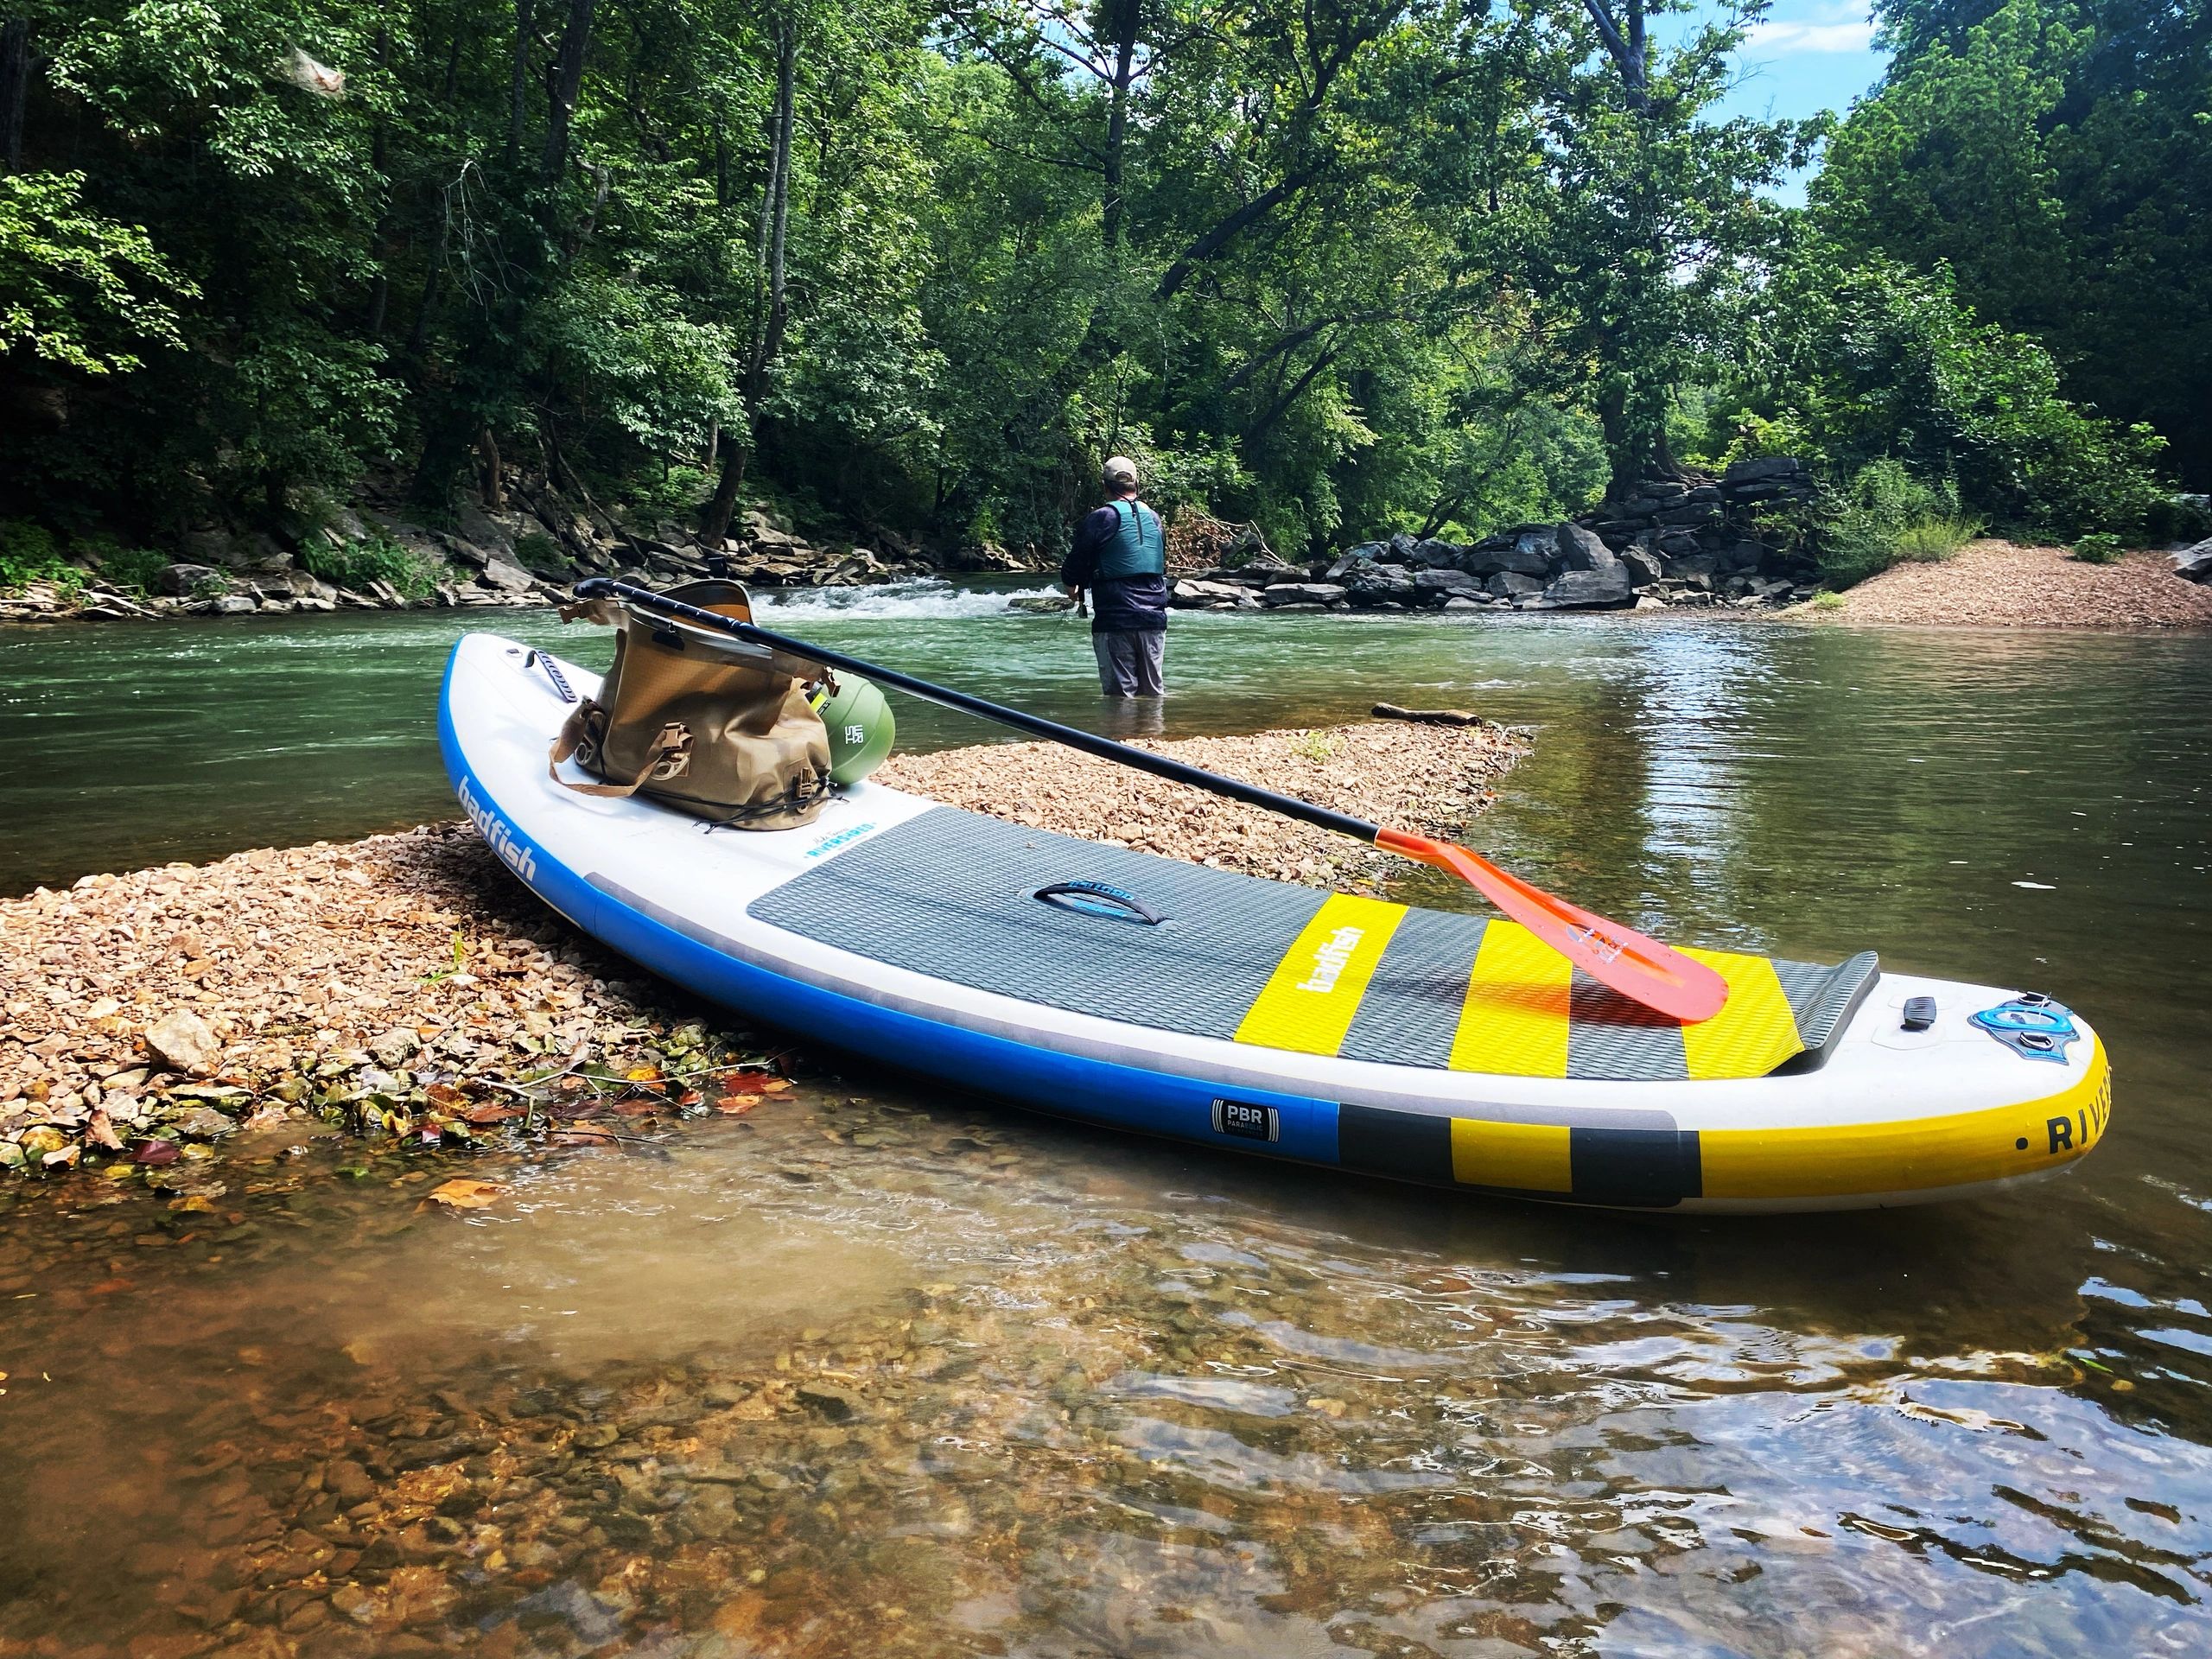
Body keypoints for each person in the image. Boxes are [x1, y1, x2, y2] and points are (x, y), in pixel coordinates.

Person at [1060, 455, 1167, 697]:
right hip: (1154, 618)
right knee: (1153, 693)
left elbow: (1077, 560)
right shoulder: (1155, 518)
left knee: (1121, 695)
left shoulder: (1102, 517)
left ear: (1105, 486)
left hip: (1115, 617)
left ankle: (1117, 735)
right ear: (1136, 485)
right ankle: (1154, 733)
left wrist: (1070, 585)